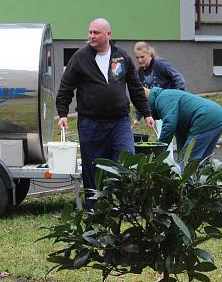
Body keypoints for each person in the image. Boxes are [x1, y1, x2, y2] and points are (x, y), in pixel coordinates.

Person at [56, 18, 155, 209]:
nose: (91, 36)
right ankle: (94, 208)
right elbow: (66, 87)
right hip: (90, 123)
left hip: (119, 122)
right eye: (90, 32)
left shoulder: (122, 57)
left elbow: (135, 87)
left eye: (96, 33)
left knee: (127, 158)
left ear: (108, 34)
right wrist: (62, 113)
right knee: (92, 167)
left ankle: (127, 205)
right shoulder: (80, 57)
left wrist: (147, 112)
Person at [144, 86, 222, 165]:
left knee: (187, 165)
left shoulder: (162, 98)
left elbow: (169, 125)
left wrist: (158, 150)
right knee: (200, 162)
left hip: (204, 118)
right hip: (218, 117)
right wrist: (180, 158)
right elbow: (181, 137)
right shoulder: (166, 96)